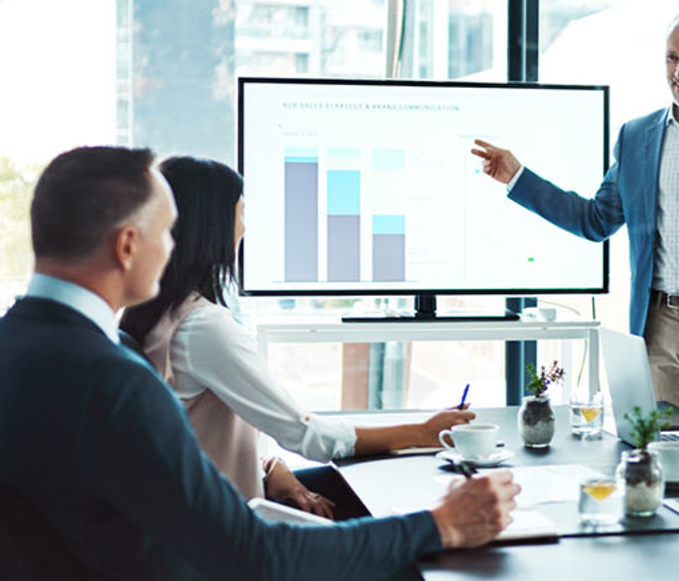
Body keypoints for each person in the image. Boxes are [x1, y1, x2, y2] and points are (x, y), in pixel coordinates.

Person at [0, 146, 520, 581]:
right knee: (418, 574)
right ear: (129, 245)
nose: (174, 245)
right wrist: (438, 523)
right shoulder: (114, 382)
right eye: (167, 230)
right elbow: (253, 561)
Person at [470, 7, 679, 441]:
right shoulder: (636, 136)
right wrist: (518, 176)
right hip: (658, 329)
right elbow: (595, 220)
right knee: (662, 458)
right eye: (671, 58)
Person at [120, 156, 474, 519]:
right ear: (213, 226)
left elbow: (202, 431)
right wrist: (423, 432)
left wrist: (272, 467)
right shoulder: (204, 328)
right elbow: (309, 437)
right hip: (228, 529)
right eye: (240, 215)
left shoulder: (155, 314)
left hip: (196, 511)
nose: (244, 229)